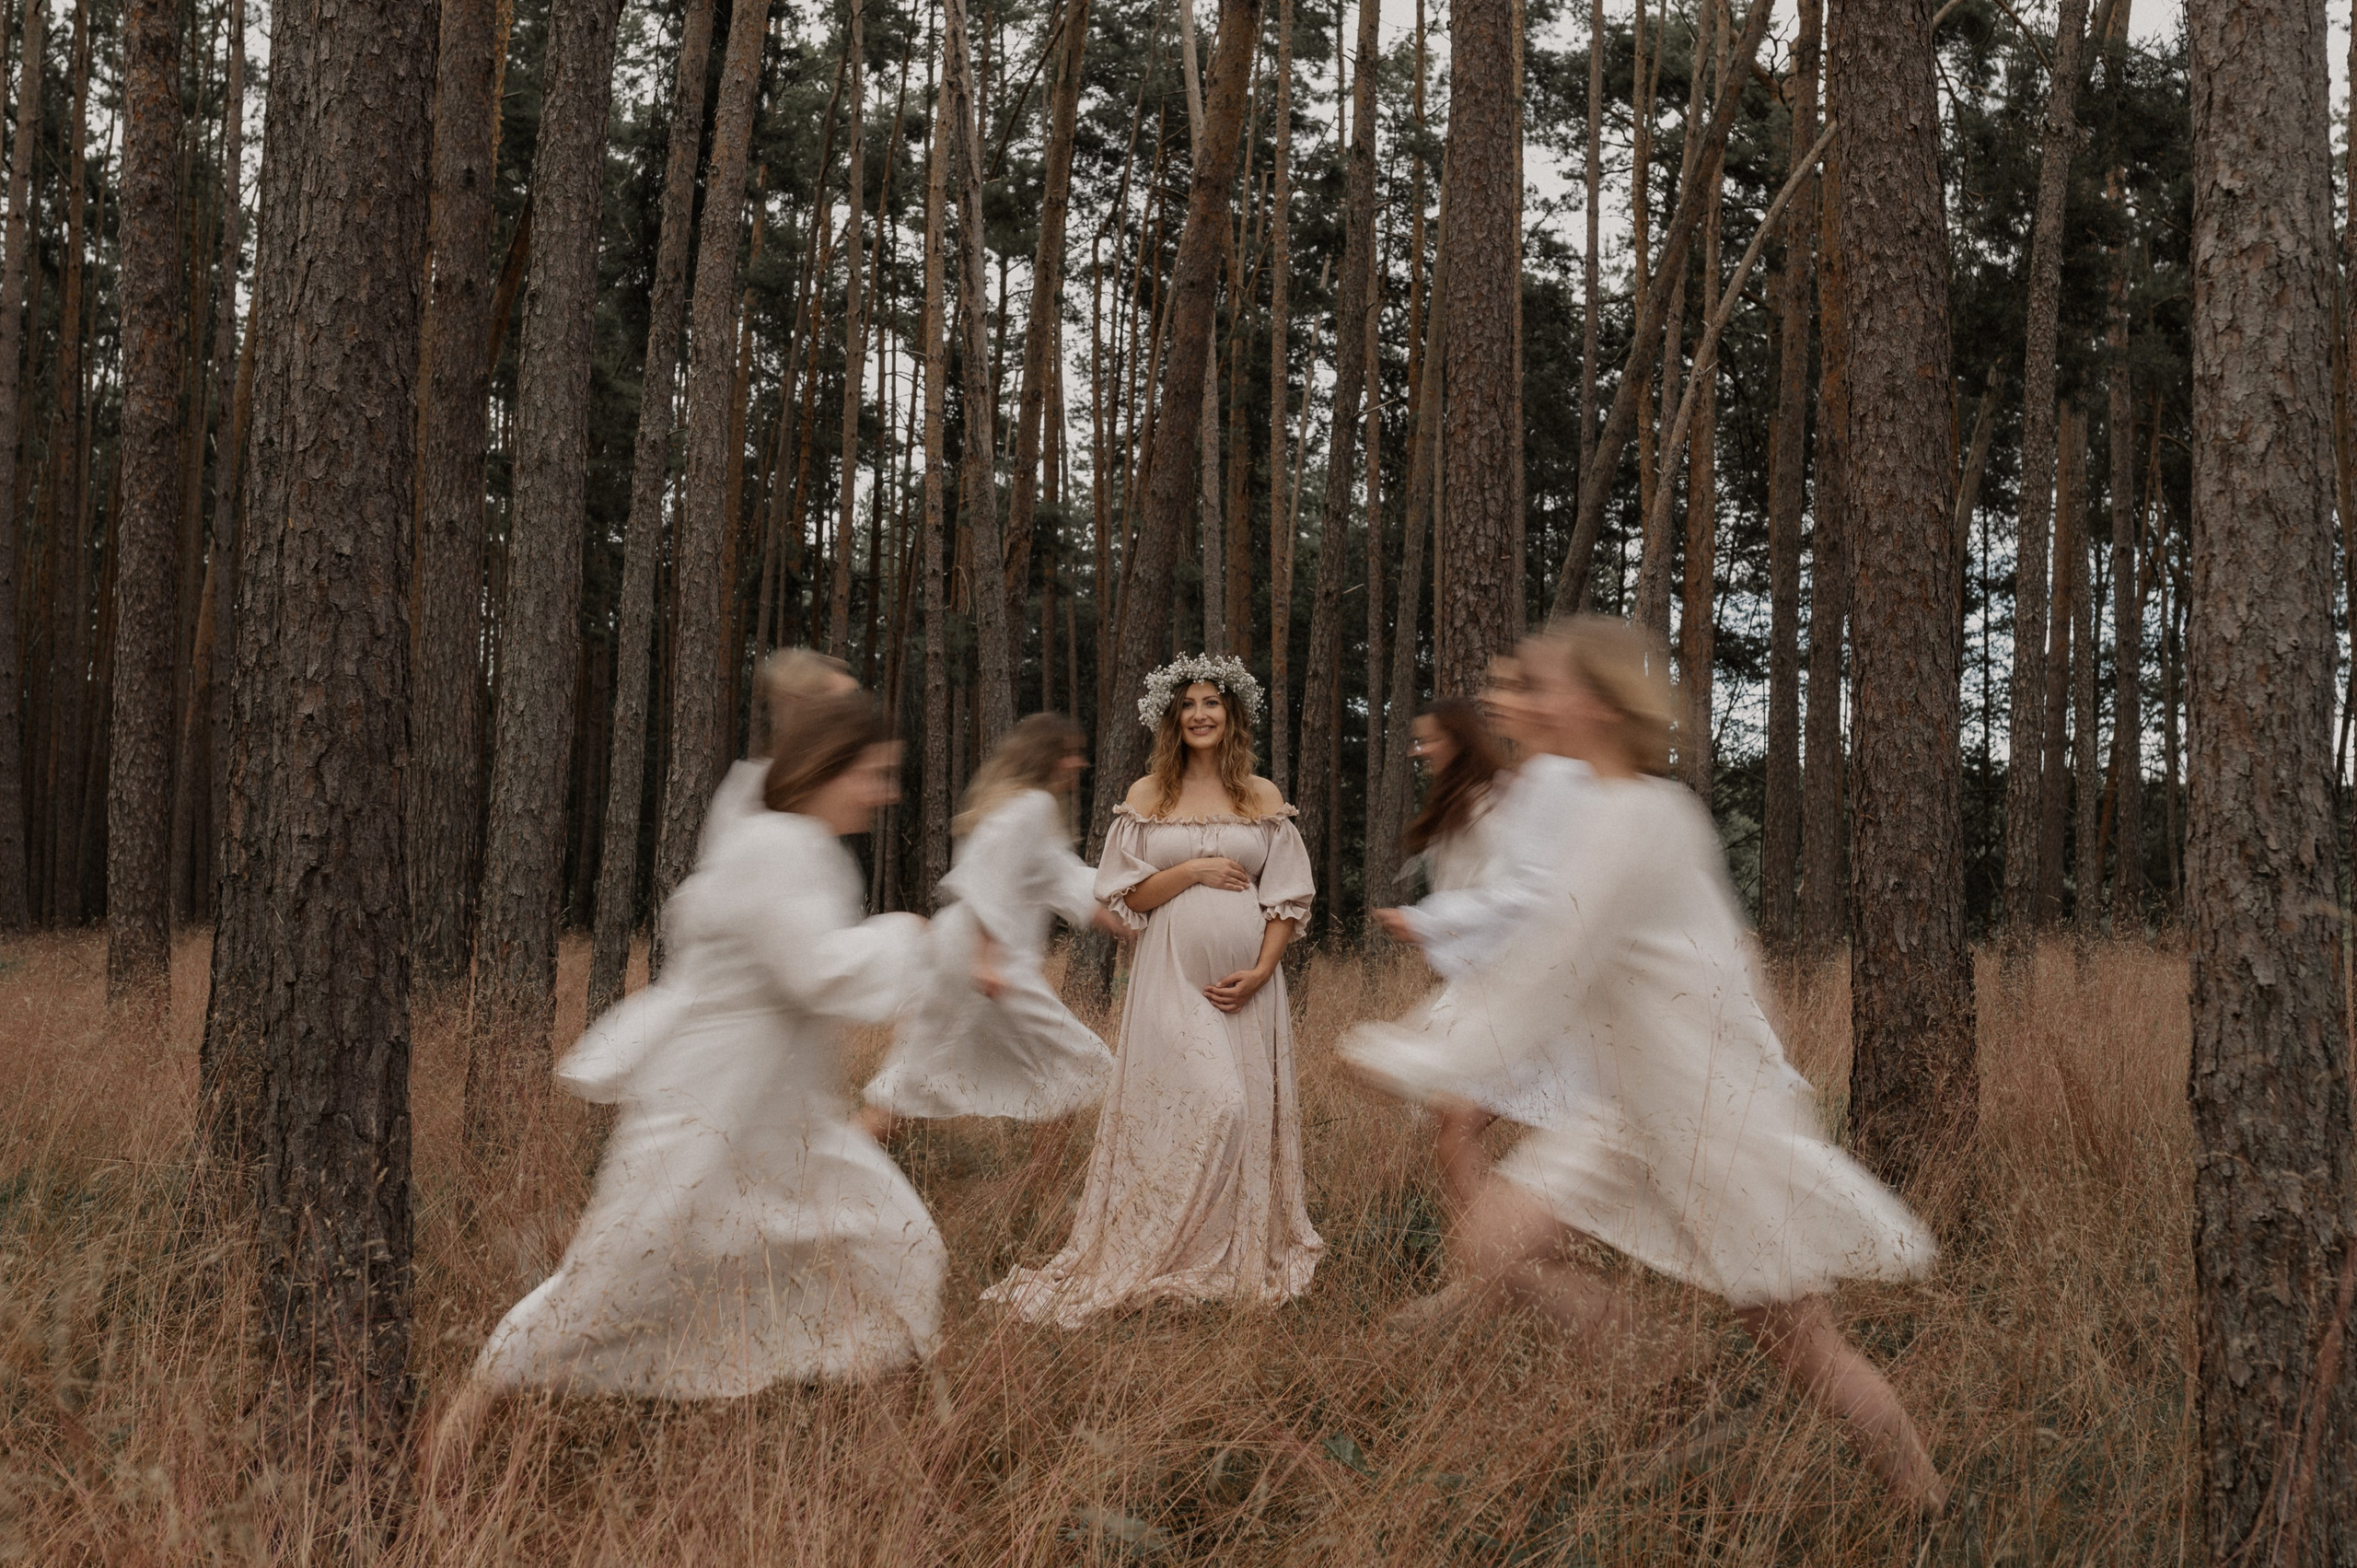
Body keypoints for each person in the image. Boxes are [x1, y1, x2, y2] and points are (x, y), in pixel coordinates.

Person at [1346, 618, 1947, 1511]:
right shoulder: (1581, 801)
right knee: (1492, 1244)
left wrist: (1407, 1055)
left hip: (1711, 1112)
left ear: (1589, 702)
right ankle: (1663, 1370)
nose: (1518, 700)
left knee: (1795, 1339)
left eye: (1538, 685)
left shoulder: (1645, 816)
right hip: (1628, 1107)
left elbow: (1554, 964)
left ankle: (1923, 1501)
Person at [425, 679, 939, 1484]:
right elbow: (816, 974)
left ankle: (895, 1474)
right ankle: (442, 1455)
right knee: (605, 1287)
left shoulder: (779, 834)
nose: (887, 792)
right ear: (827, 769)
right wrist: (916, 936)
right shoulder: (780, 845)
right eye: (873, 770)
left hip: (775, 1117)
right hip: (707, 1113)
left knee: (887, 1251)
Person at [983, 655, 1321, 1326]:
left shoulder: (1261, 795)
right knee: (1217, 1104)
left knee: (1241, 1113)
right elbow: (1127, 892)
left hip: (1251, 988)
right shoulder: (1148, 796)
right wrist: (1194, 869)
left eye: (1212, 703)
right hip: (1169, 978)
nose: (1200, 713)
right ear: (1173, 717)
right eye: (1189, 703)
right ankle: (1163, 1245)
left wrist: (1259, 972)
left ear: (1232, 716)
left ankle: (1218, 1253)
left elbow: (1286, 898)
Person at [863, 713, 1129, 1144]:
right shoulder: (1031, 807)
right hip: (986, 959)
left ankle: (1039, 1193)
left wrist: (1128, 924)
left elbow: (1065, 880)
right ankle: (1044, 1194)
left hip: (965, 955)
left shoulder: (1023, 807)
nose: (1078, 764)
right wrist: (985, 960)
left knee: (913, 1080)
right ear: (1048, 757)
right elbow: (989, 877)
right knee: (1081, 1063)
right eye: (1070, 754)